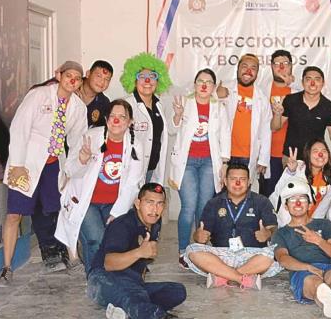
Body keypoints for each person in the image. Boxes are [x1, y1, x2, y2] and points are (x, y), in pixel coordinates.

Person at [0, 61, 88, 285]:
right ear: (58, 74)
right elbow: (19, 128)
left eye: (77, 78)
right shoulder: (39, 95)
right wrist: (17, 164)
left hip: (53, 165)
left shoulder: (78, 107)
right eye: (68, 75)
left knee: (59, 210)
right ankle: (6, 268)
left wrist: (74, 167)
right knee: (14, 215)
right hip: (26, 163)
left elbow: (77, 141)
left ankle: (72, 257)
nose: (72, 81)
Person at [85, 183, 203, 319]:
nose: (154, 209)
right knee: (133, 293)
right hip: (102, 280)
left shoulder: (154, 223)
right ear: (138, 203)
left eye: (159, 204)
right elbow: (108, 263)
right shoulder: (122, 225)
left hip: (131, 281)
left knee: (177, 291)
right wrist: (139, 252)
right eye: (149, 202)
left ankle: (125, 312)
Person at [56, 99, 144, 273]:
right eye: (112, 116)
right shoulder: (90, 137)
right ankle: (96, 278)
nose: (116, 121)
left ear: (130, 122)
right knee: (96, 238)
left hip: (114, 202)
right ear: (106, 119)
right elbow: (70, 170)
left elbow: (133, 183)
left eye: (122, 117)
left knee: (116, 240)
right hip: (85, 202)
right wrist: (82, 159)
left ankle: (114, 277)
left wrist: (116, 213)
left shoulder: (135, 145)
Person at [272, 179, 331, 319]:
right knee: (316, 283)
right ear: (286, 206)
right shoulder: (281, 233)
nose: (297, 203)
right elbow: (283, 259)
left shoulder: (324, 224)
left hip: (327, 266)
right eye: (292, 199)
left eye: (302, 198)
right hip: (301, 271)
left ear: (310, 204)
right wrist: (307, 267)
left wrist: (318, 240)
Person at [184, 164, 282, 288]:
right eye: (233, 179)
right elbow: (201, 233)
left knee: (274, 253)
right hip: (221, 255)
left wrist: (268, 234)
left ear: (249, 182)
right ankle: (241, 278)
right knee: (192, 250)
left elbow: (274, 229)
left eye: (242, 179)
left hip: (252, 256)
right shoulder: (213, 203)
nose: (237, 183)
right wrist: (198, 236)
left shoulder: (262, 201)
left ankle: (223, 276)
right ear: (225, 181)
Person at [169, 68, 231, 262]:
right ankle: (182, 251)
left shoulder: (218, 108)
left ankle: (198, 249)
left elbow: (225, 135)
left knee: (203, 207)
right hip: (186, 163)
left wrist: (224, 163)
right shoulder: (184, 103)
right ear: (194, 84)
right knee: (188, 206)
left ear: (213, 87)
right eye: (200, 81)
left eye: (208, 82)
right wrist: (178, 115)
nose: (204, 85)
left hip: (208, 163)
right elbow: (172, 129)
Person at [217, 53, 272, 190]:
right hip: (224, 155)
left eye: (253, 68)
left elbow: (266, 130)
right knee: (219, 195)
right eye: (244, 66)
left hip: (248, 157)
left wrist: (263, 159)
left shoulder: (262, 98)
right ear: (237, 69)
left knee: (242, 195)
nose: (248, 71)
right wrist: (216, 94)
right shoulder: (225, 89)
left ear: (257, 73)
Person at [121, 52, 172, 184]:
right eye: (141, 76)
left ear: (158, 80)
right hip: (130, 171)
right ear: (134, 80)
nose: (147, 81)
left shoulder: (159, 106)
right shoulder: (126, 105)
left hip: (152, 170)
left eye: (152, 76)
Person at [272, 65, 331, 158]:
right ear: (302, 82)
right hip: (291, 157)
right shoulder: (290, 100)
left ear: (323, 83)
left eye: (317, 79)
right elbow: (275, 127)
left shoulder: (329, 106)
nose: (312, 83)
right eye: (308, 79)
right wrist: (277, 114)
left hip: (316, 158)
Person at [273, 138, 331, 226]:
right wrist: (291, 172)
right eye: (315, 151)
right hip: (286, 221)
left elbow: (322, 209)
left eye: (324, 151)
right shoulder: (298, 167)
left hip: (307, 223)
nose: (320, 154)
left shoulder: (330, 178)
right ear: (308, 154)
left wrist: (312, 227)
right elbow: (279, 191)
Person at [263, 49, 296, 196]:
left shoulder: (298, 90)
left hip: (292, 156)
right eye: (277, 63)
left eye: (285, 63)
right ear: (271, 66)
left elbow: (319, 94)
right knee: (268, 198)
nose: (281, 67)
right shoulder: (262, 90)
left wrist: (294, 83)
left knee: (292, 197)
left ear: (291, 66)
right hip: (268, 154)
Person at [79, 60, 113, 128]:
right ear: (88, 74)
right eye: (99, 76)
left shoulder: (104, 103)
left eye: (107, 79)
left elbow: (101, 130)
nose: (102, 82)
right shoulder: (71, 86)